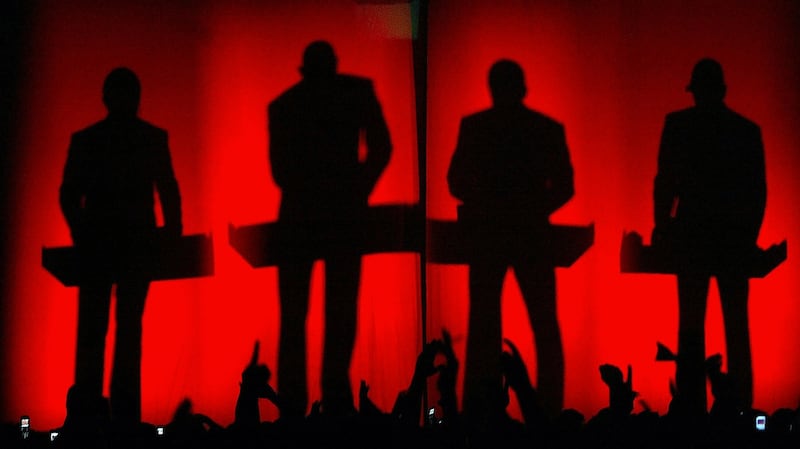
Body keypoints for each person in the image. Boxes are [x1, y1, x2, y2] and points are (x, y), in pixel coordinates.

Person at [268, 40, 392, 418]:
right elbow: (382, 147)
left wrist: (324, 190)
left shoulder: (285, 105)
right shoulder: (356, 93)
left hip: (299, 217)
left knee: (294, 315)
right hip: (343, 216)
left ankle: (293, 407)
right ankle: (335, 400)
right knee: (338, 310)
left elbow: (280, 171)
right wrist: (357, 189)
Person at [447, 59, 574, 425]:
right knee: (545, 326)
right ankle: (550, 415)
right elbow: (565, 185)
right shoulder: (545, 129)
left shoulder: (475, 127)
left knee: (484, 325)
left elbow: (455, 181)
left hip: (487, 236)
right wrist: (531, 210)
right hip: (532, 236)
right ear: (523, 88)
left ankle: (477, 414)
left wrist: (487, 205)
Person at [59, 67, 182, 427]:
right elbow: (169, 190)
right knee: (129, 330)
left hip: (98, 249)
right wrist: (171, 237)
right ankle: (125, 419)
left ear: (105, 97)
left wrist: (82, 234)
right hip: (136, 248)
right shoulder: (151, 138)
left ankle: (87, 419)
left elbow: (68, 195)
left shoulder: (88, 141)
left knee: (93, 331)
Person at [652, 58, 766, 417]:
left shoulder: (679, 126)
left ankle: (690, 413)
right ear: (723, 90)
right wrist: (747, 237)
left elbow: (664, 183)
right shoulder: (745, 131)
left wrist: (663, 228)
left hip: (691, 242)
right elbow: (756, 192)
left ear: (696, 91)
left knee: (690, 329)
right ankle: (743, 411)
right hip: (731, 242)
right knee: (736, 327)